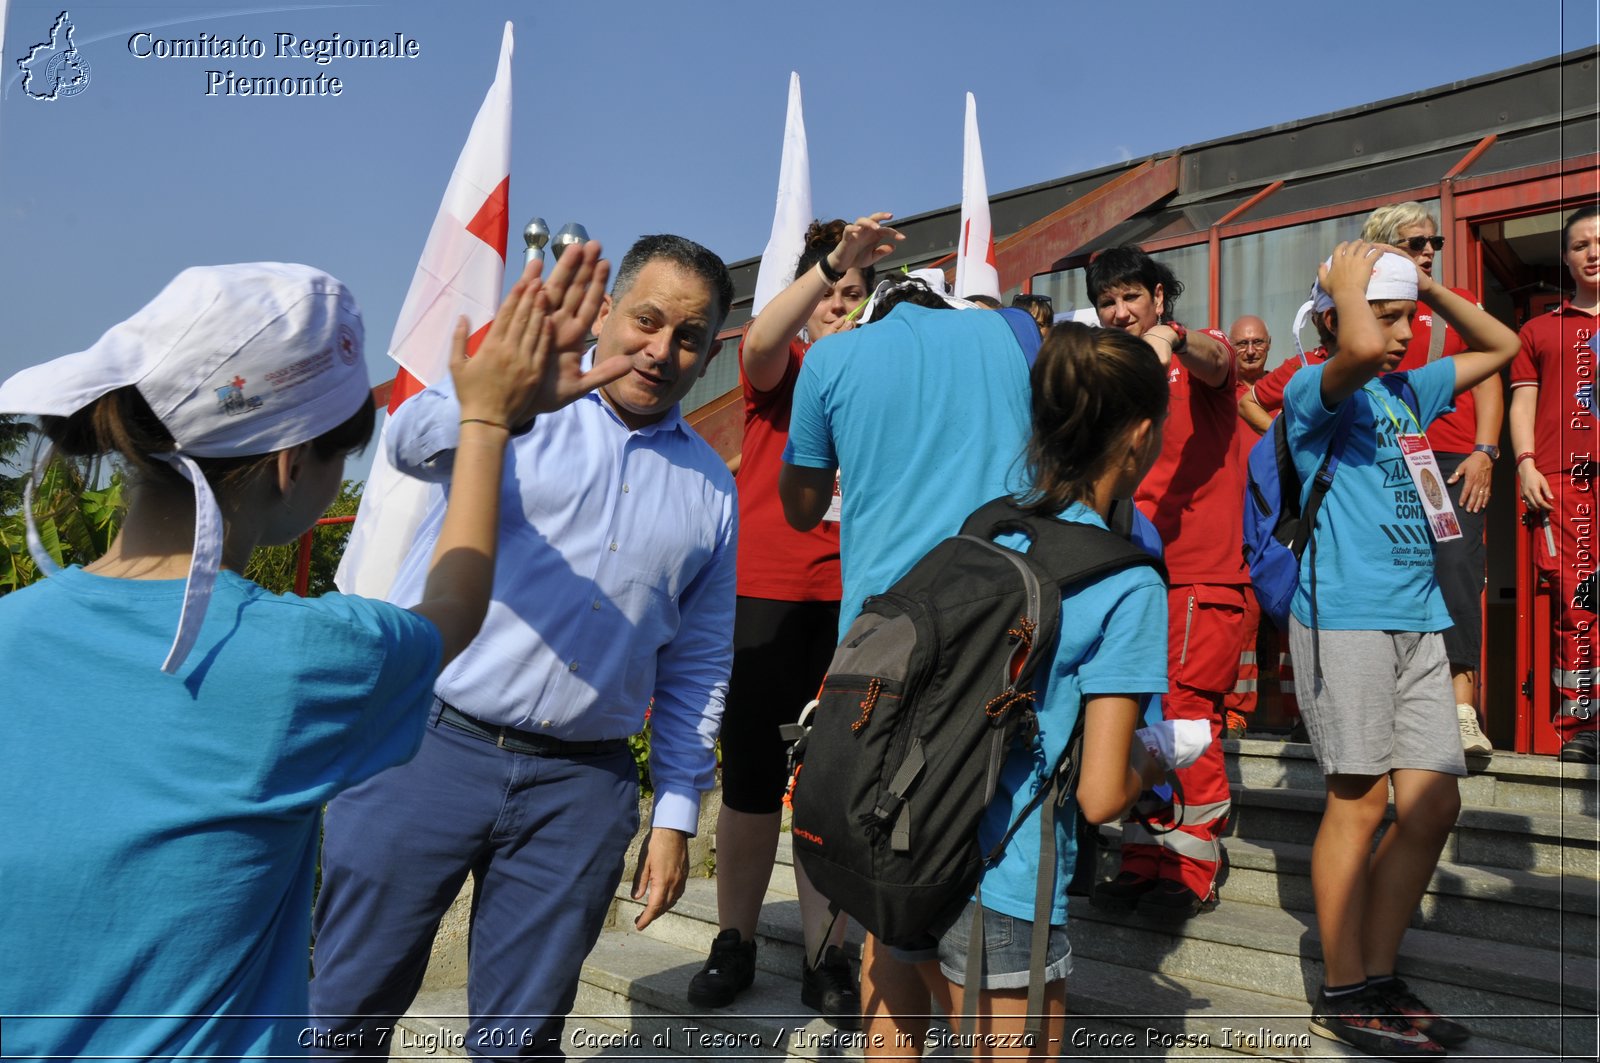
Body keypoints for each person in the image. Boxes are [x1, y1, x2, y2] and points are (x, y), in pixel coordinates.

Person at [0, 257, 622, 1060]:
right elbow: (455, 608)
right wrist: (488, 422)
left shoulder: (12, 625)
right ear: (294, 463)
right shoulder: (305, 660)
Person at [309, 235, 739, 1059]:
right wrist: (504, 405)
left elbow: (698, 661)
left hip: (581, 788)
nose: (661, 349)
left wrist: (677, 810)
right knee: (342, 1011)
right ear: (606, 312)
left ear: (709, 346)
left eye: (687, 336)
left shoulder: (711, 491)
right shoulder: (523, 399)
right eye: (647, 320)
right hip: (424, 748)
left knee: (520, 1039)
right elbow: (406, 444)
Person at [881, 323, 1173, 1058]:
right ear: (1140, 436)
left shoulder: (988, 527)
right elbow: (1104, 795)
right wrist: (1160, 758)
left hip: (909, 838)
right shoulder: (1127, 581)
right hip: (1006, 872)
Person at [778, 274, 1041, 1055]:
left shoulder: (833, 358)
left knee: (885, 877)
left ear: (877, 313)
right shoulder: (1013, 333)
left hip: (881, 643)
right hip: (1008, 623)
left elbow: (801, 506)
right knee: (993, 848)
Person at [1282, 242, 1518, 1058]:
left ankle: (1378, 975)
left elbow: (1501, 348)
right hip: (1343, 615)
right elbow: (1348, 350)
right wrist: (1348, 292)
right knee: (1360, 798)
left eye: (1404, 319)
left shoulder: (1402, 391)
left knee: (1434, 800)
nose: (1401, 332)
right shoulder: (1313, 388)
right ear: (1334, 316)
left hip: (1418, 617)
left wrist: (1427, 285)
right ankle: (1345, 988)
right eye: (1384, 318)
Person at [688, 213, 899, 1026]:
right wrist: (829, 264)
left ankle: (827, 956)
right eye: (830, 292)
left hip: (857, 603)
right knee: (748, 780)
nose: (839, 305)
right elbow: (759, 339)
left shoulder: (875, 378)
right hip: (767, 599)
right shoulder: (788, 369)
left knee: (831, 790)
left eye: (854, 293)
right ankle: (733, 940)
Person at [1086, 246, 1244, 921]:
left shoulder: (1191, 358)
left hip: (1198, 576)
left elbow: (1221, 358)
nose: (1119, 312)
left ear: (1157, 296)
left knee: (1184, 714)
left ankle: (1192, 860)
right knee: (1135, 715)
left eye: (1130, 297)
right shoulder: (1114, 373)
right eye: (1106, 302)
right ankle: (1143, 856)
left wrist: (1173, 337)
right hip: (1128, 573)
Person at [1362, 202, 1502, 756]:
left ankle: (1462, 710)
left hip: (1448, 462)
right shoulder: (1367, 305)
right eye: (1414, 242)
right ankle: (1387, 706)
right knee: (1387, 571)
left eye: (1434, 244)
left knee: (1456, 569)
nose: (1427, 252)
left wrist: (1485, 451)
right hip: (1381, 460)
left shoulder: (1457, 305)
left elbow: (1490, 375)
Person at [1510, 204, 1600, 762]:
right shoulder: (1538, 329)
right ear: (1566, 259)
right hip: (1566, 482)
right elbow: (1523, 399)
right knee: (1580, 603)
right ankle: (1584, 727)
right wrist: (1524, 462)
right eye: (1581, 244)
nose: (1593, 252)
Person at [1225, 315, 1273, 735]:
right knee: (1244, 619)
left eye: (1257, 342)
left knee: (1298, 616)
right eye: (1242, 344)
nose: (1251, 350)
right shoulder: (1218, 393)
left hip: (1283, 523)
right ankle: (1237, 711)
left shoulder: (1281, 391)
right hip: (1234, 526)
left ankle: (1303, 715)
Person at [1229, 314, 1272, 386]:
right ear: (1230, 347)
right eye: (1242, 343)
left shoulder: (1282, 387)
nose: (1250, 352)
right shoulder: (1220, 391)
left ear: (1269, 343)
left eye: (1257, 342)